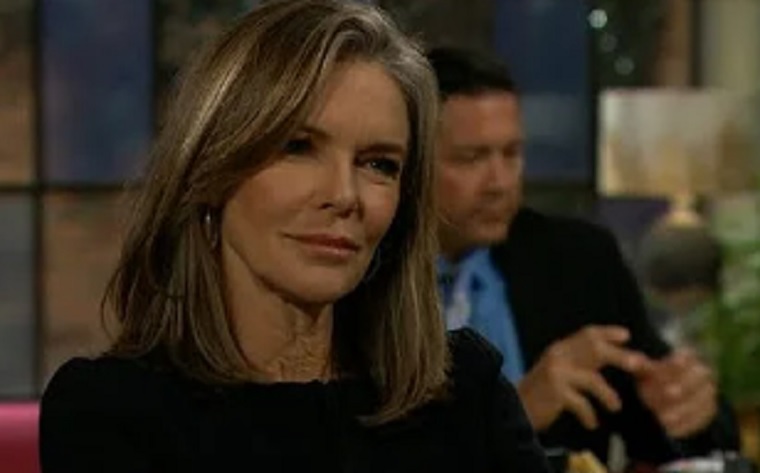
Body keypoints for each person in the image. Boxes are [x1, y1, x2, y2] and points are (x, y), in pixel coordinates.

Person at [39, 2, 551, 472]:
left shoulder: (466, 393)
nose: (344, 195)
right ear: (212, 170)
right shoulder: (113, 412)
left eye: (378, 164)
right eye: (298, 147)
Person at [427, 46, 739, 467]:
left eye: (512, 154)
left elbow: (668, 439)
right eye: (471, 158)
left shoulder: (579, 260)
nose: (500, 183)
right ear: (412, 163)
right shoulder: (365, 281)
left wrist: (690, 412)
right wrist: (517, 412)